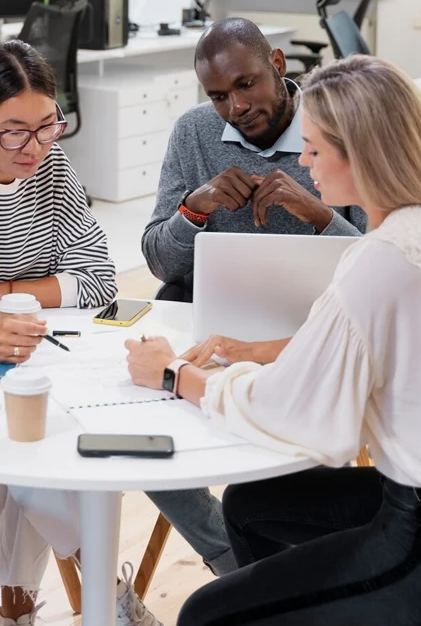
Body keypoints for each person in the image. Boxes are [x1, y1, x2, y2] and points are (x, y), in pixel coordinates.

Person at [0, 40, 233, 626]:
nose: (34, 148)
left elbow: (97, 277)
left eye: (47, 127)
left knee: (46, 434)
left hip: (45, 345)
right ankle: (103, 590)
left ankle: (21, 608)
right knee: (19, 449)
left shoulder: (53, 167)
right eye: (14, 131)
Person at [127, 54, 421, 625]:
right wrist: (251, 351)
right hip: (398, 484)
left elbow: (297, 412)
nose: (303, 162)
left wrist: (172, 374)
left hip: (412, 518)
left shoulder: (381, 259)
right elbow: (356, 346)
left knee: (205, 614)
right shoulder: (408, 233)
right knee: (251, 505)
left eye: (312, 147)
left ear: (359, 152)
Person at [142, 18, 366, 305]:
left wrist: (318, 215)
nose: (237, 107)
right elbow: (161, 266)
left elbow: (377, 266)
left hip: (317, 317)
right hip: (215, 316)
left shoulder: (342, 129)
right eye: (219, 97)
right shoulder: (192, 130)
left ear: (278, 63)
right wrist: (193, 209)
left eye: (246, 84)